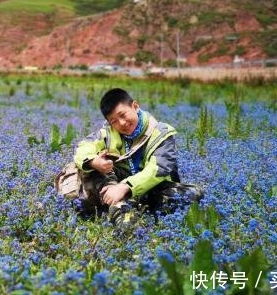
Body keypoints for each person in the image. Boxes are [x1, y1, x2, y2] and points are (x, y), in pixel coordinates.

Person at [71, 88, 203, 225]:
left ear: (135, 106)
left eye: (123, 115)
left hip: (150, 190)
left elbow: (158, 170)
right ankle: (121, 212)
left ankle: (123, 209)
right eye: (114, 121)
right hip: (115, 188)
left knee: (194, 194)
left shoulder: (162, 133)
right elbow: (82, 148)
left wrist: (125, 187)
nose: (121, 123)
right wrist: (94, 161)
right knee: (92, 167)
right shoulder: (106, 134)